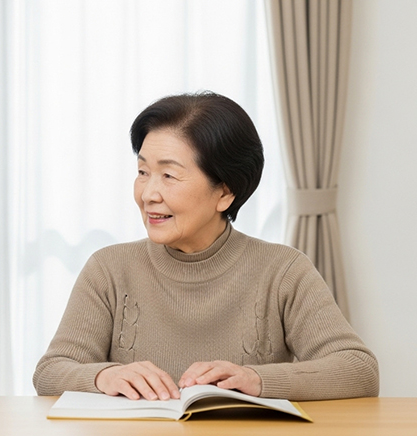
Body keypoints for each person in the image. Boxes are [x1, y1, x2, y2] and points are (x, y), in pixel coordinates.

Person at [33, 91, 378, 401]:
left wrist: (257, 379)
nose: (149, 194)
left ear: (225, 192)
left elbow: (359, 369)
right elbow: (50, 371)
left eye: (169, 175)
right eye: (143, 172)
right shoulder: (109, 268)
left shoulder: (283, 270)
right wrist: (104, 375)